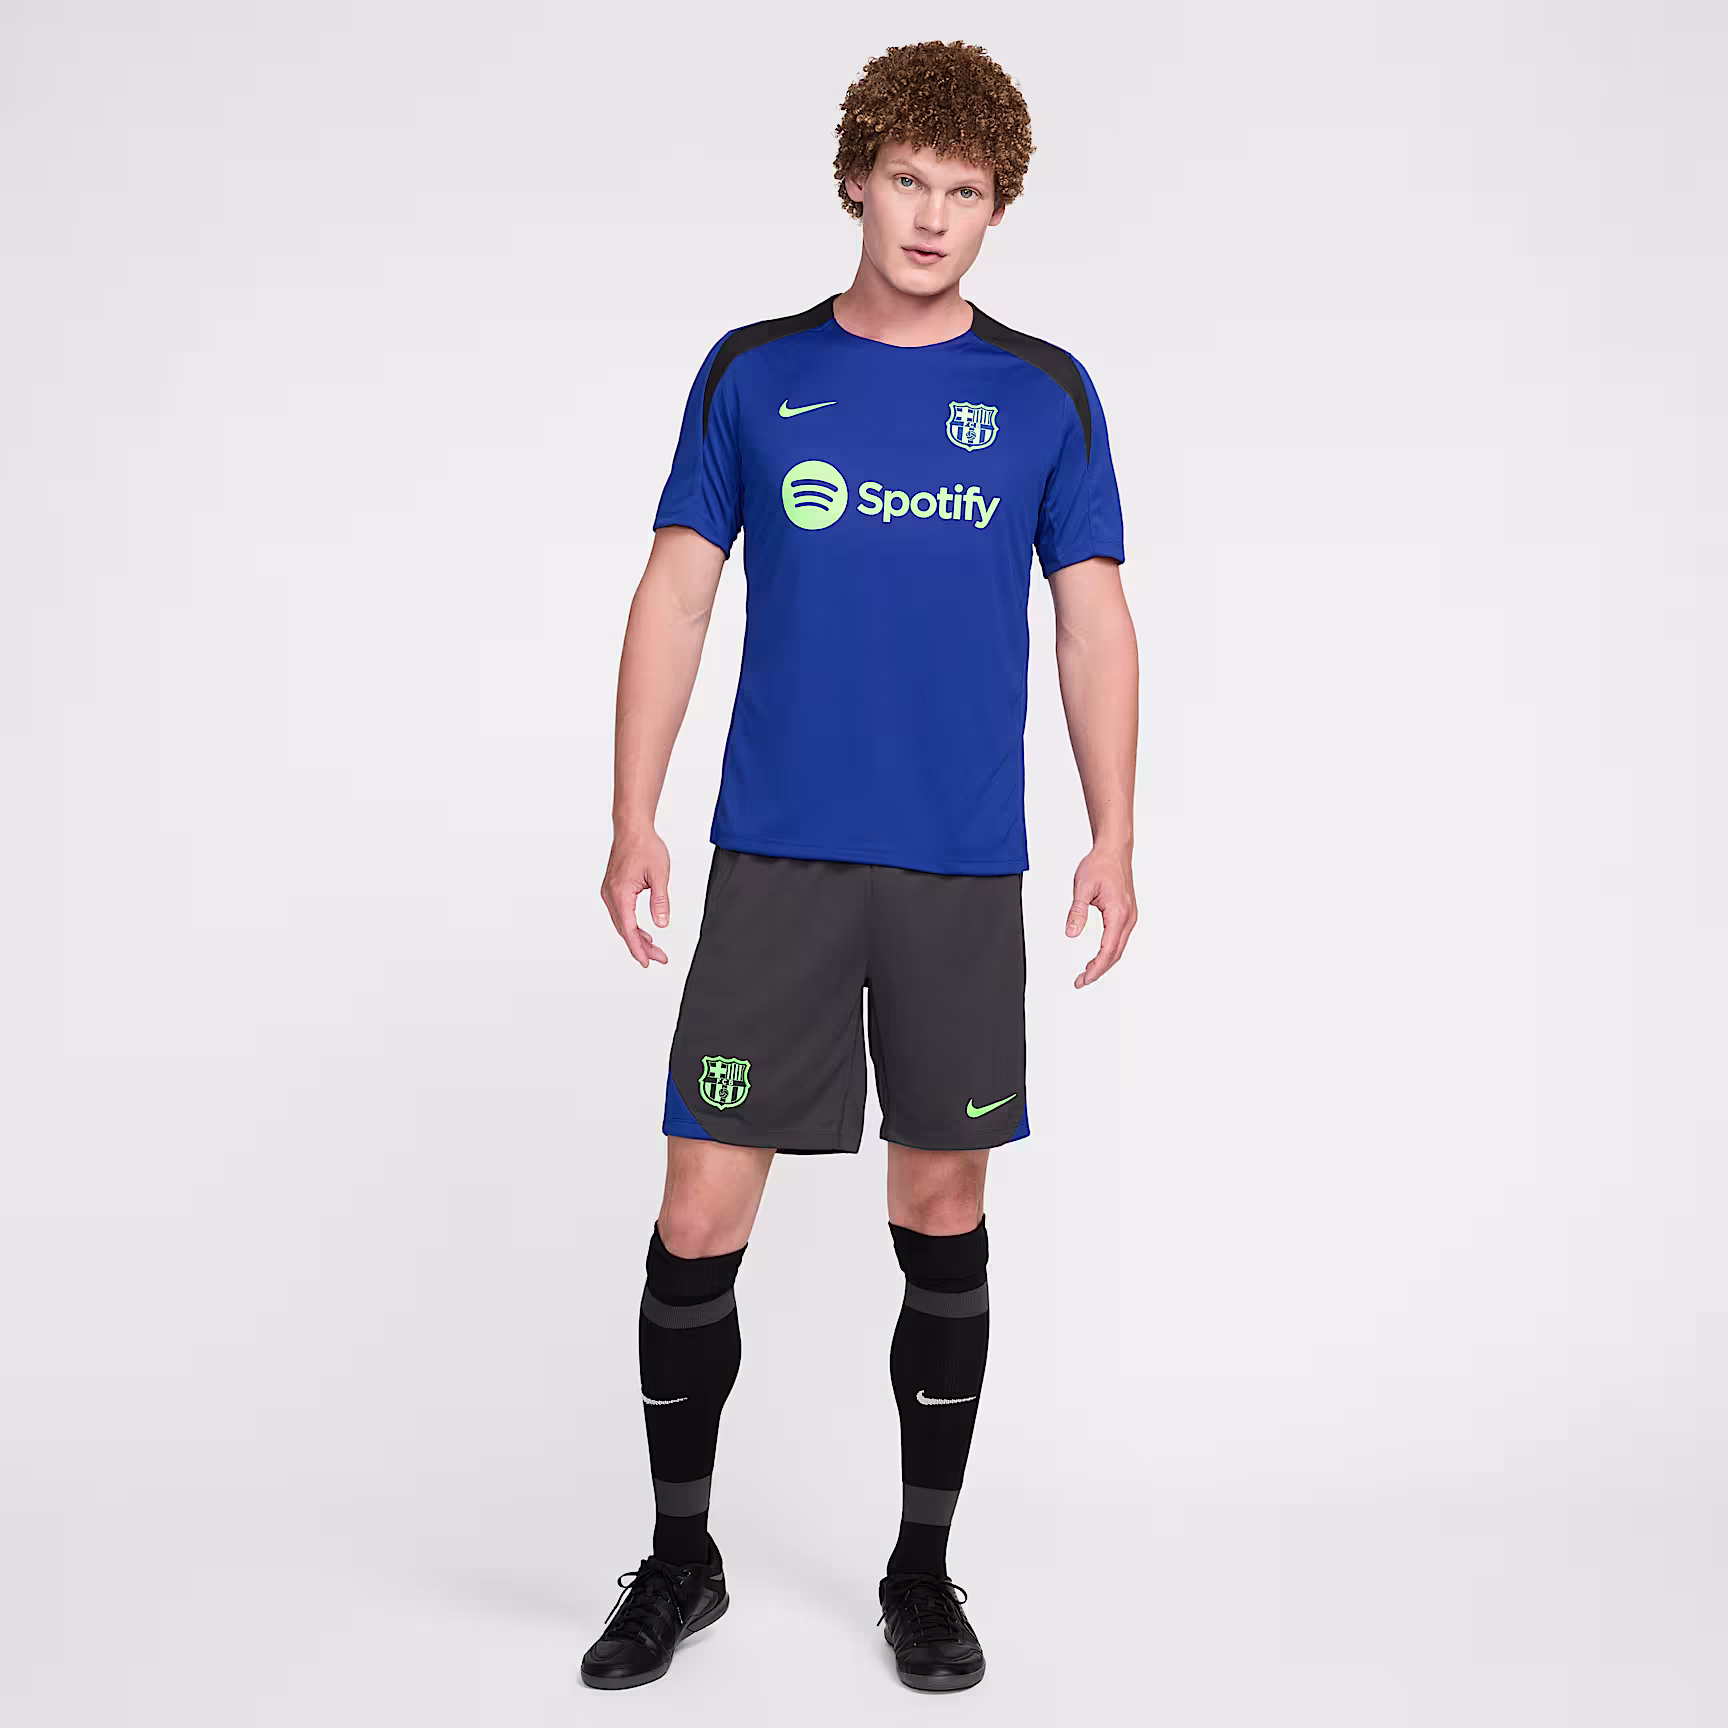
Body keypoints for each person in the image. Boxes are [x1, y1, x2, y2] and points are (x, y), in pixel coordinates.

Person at [585, 38, 1138, 1693]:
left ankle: (920, 1571)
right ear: (856, 179)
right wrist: (632, 811)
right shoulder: (757, 376)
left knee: (942, 1204)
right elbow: (678, 592)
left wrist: (1116, 831)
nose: (933, 217)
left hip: (956, 872)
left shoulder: (1044, 394)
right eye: (909, 180)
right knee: (699, 1210)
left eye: (965, 193)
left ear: (996, 210)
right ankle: (681, 1559)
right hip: (778, 864)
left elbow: (1093, 622)